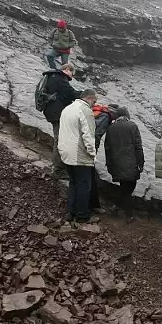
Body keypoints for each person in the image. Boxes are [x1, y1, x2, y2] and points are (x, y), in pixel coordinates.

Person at [58, 89, 98, 224]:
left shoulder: (67, 109)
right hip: (79, 155)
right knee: (84, 185)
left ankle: (71, 211)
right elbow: (89, 136)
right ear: (89, 98)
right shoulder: (85, 111)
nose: (94, 105)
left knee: (73, 182)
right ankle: (82, 215)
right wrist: (93, 154)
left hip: (65, 152)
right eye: (94, 102)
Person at [104, 107, 144, 223]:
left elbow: (107, 148)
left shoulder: (111, 128)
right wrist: (141, 163)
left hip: (117, 163)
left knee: (124, 187)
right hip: (131, 163)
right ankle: (128, 215)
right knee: (129, 188)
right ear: (127, 115)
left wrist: (109, 164)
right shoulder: (132, 126)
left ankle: (116, 207)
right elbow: (138, 146)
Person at [41, 64, 79, 179]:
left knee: (59, 139)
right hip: (57, 113)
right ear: (67, 70)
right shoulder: (60, 78)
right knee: (60, 140)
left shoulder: (52, 76)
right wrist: (85, 95)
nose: (71, 77)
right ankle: (58, 170)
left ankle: (57, 166)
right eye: (72, 73)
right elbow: (69, 93)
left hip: (51, 112)